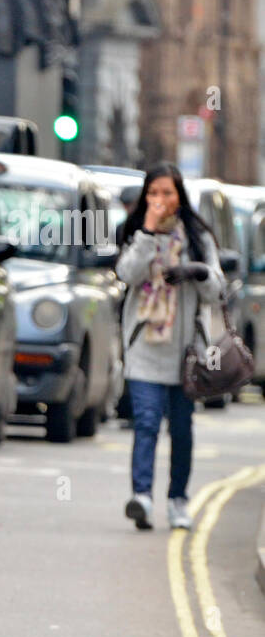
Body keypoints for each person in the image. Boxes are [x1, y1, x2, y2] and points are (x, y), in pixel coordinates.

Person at [115, 162, 225, 530]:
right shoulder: (135, 232)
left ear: (179, 196)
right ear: (145, 197)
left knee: (181, 429)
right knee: (145, 422)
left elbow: (217, 289)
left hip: (184, 353)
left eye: (167, 193)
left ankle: (178, 499)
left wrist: (196, 271)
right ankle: (142, 497)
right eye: (153, 193)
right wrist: (147, 232)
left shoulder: (197, 237)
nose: (160, 200)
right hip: (145, 346)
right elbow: (127, 274)